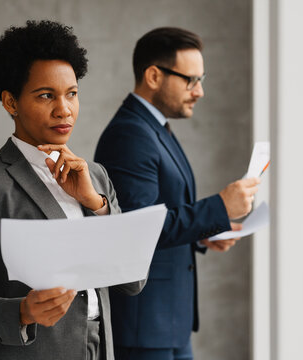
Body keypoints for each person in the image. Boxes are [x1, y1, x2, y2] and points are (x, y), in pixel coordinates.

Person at [0, 20, 145, 360]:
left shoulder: (96, 176)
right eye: (46, 95)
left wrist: (95, 204)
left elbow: (132, 282)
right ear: (10, 102)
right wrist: (23, 312)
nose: (64, 109)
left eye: (72, 94)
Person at [94, 27, 260, 360]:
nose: (199, 91)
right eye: (191, 80)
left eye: (201, 79)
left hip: (167, 322)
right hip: (145, 325)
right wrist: (219, 209)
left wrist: (204, 235)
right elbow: (137, 226)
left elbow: (161, 212)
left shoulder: (154, 127)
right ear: (154, 75)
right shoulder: (130, 133)